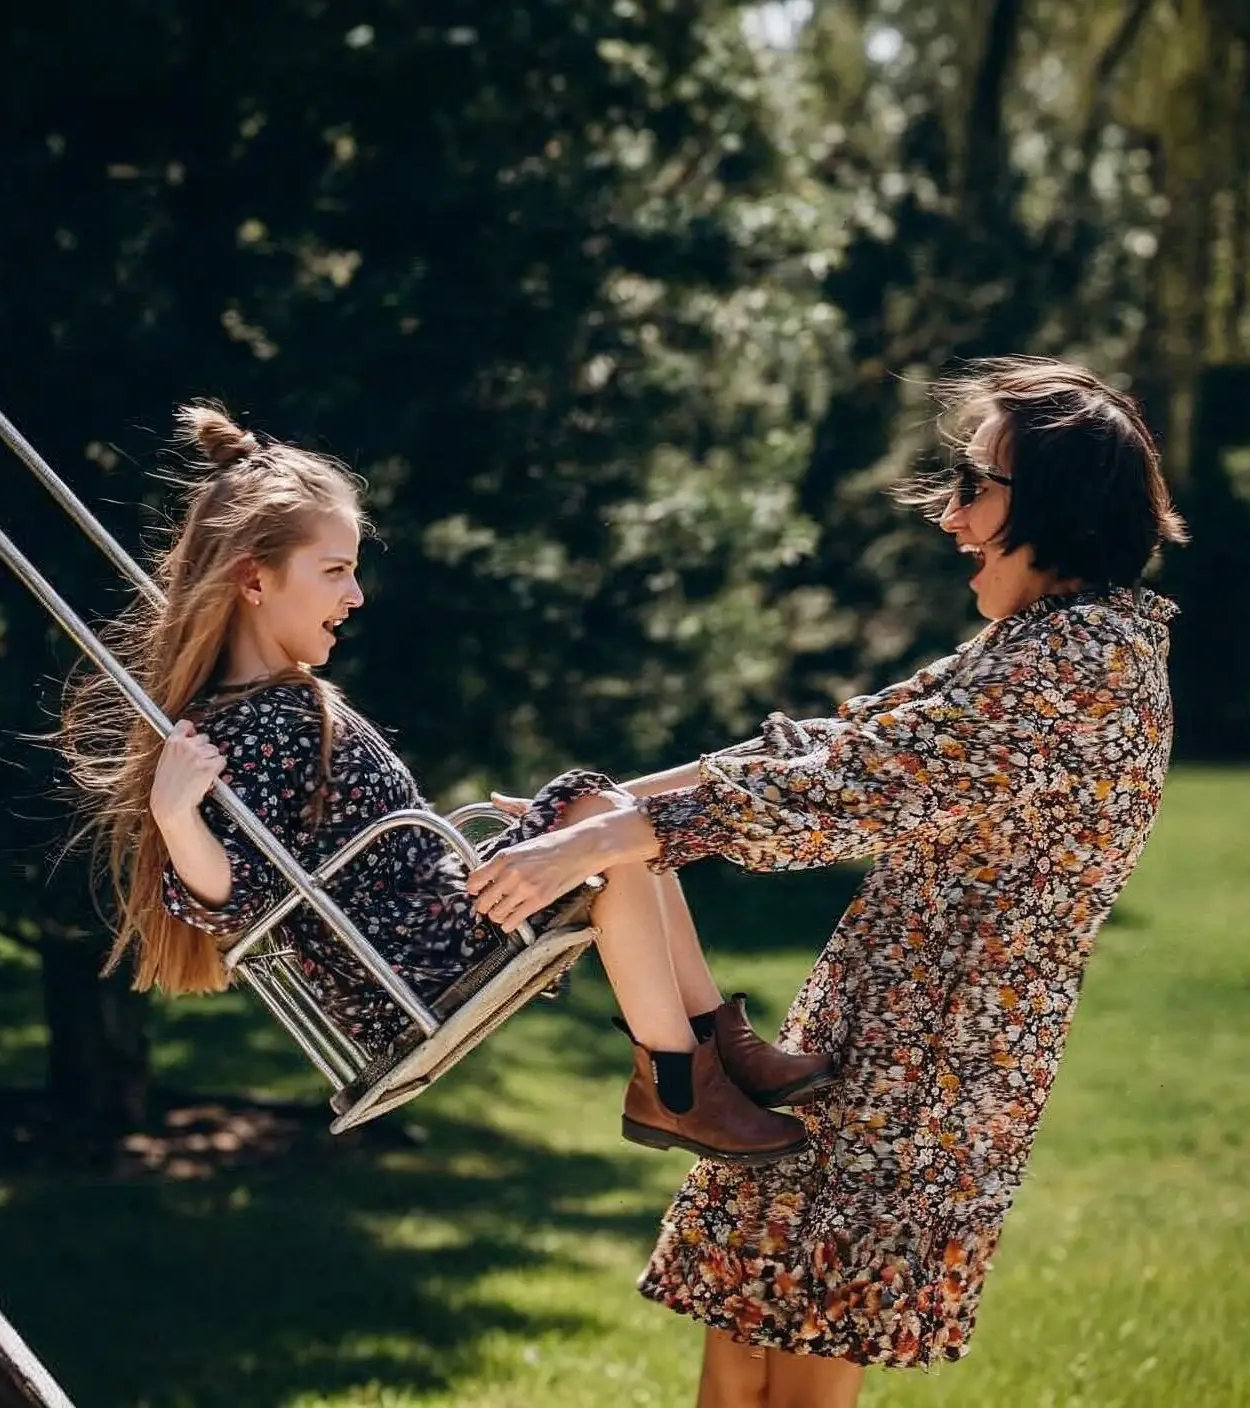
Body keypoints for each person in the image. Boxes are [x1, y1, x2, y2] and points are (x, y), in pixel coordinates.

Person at [466, 357, 1189, 1405]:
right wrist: (612, 804)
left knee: (800, 1373)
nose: (950, 515)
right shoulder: (1038, 641)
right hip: (859, 1035)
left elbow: (857, 788)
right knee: (740, 1354)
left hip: (932, 1065)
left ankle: (685, 1068)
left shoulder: (1085, 664)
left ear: (1060, 505)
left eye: (975, 485)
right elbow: (830, 746)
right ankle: (696, 1061)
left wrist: (608, 839)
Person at [58, 402, 834, 1163]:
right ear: (253, 580)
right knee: (602, 819)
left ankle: (714, 1048)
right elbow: (239, 898)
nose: (355, 596)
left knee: (612, 816)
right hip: (404, 961)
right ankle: (677, 1083)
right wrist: (176, 818)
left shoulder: (282, 702)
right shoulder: (251, 725)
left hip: (426, 927)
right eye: (334, 572)